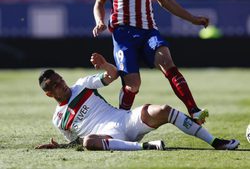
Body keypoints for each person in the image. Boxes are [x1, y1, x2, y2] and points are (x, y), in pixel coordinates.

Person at [92, 0, 209, 124]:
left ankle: (194, 110)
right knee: (133, 86)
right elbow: (99, 4)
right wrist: (100, 21)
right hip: (123, 35)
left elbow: (165, 1)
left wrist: (193, 19)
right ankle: (120, 122)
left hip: (148, 31)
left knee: (167, 61)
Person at [35, 53, 239, 151]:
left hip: (124, 120)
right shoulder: (58, 119)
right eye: (53, 85)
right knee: (89, 142)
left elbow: (113, 75)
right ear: (49, 94)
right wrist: (60, 147)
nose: (60, 84)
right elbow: (76, 142)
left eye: (59, 79)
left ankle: (216, 142)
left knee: (164, 109)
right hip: (106, 137)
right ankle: (146, 147)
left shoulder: (83, 85)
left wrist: (105, 64)